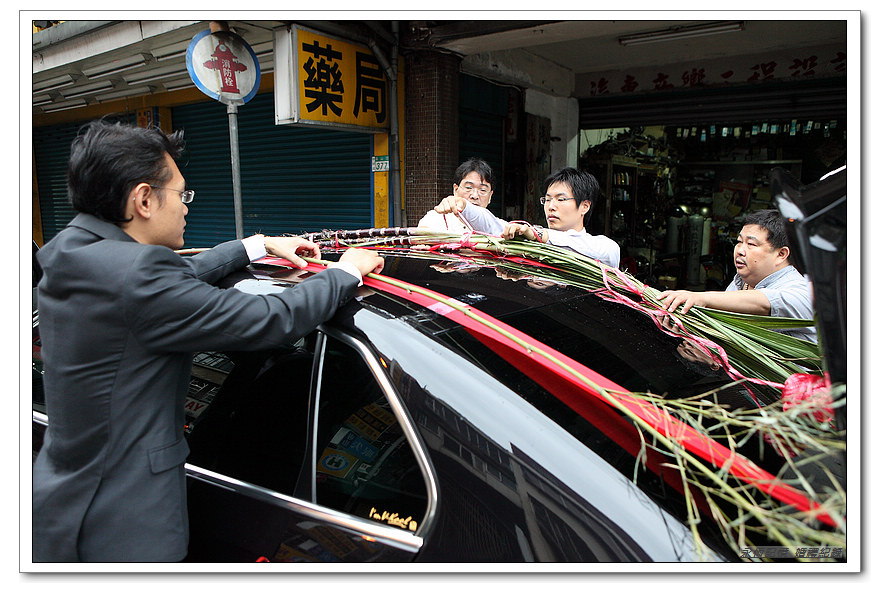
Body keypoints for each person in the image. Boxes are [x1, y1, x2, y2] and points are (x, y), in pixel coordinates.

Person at [32, 120, 384, 562]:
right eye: (181, 194)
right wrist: (346, 272)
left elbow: (170, 284)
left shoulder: (73, 250)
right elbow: (271, 318)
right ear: (143, 199)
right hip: (124, 525)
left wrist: (255, 245)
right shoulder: (138, 277)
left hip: (61, 507)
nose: (185, 207)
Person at [658, 209, 815, 342]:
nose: (740, 250)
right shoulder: (740, 283)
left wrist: (701, 298)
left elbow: (766, 302)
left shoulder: (801, 291)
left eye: (751, 244)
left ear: (781, 254)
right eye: (739, 242)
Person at [432, 167, 620, 267]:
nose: (551, 206)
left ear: (584, 206)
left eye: (560, 199)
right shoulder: (530, 236)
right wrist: (463, 206)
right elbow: (494, 225)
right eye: (546, 200)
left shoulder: (602, 246)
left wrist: (539, 235)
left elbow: (607, 252)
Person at [417, 157, 495, 232]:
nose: (474, 196)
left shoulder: (495, 227)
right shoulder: (435, 219)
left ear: (490, 196)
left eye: (483, 190)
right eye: (468, 187)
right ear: (455, 189)